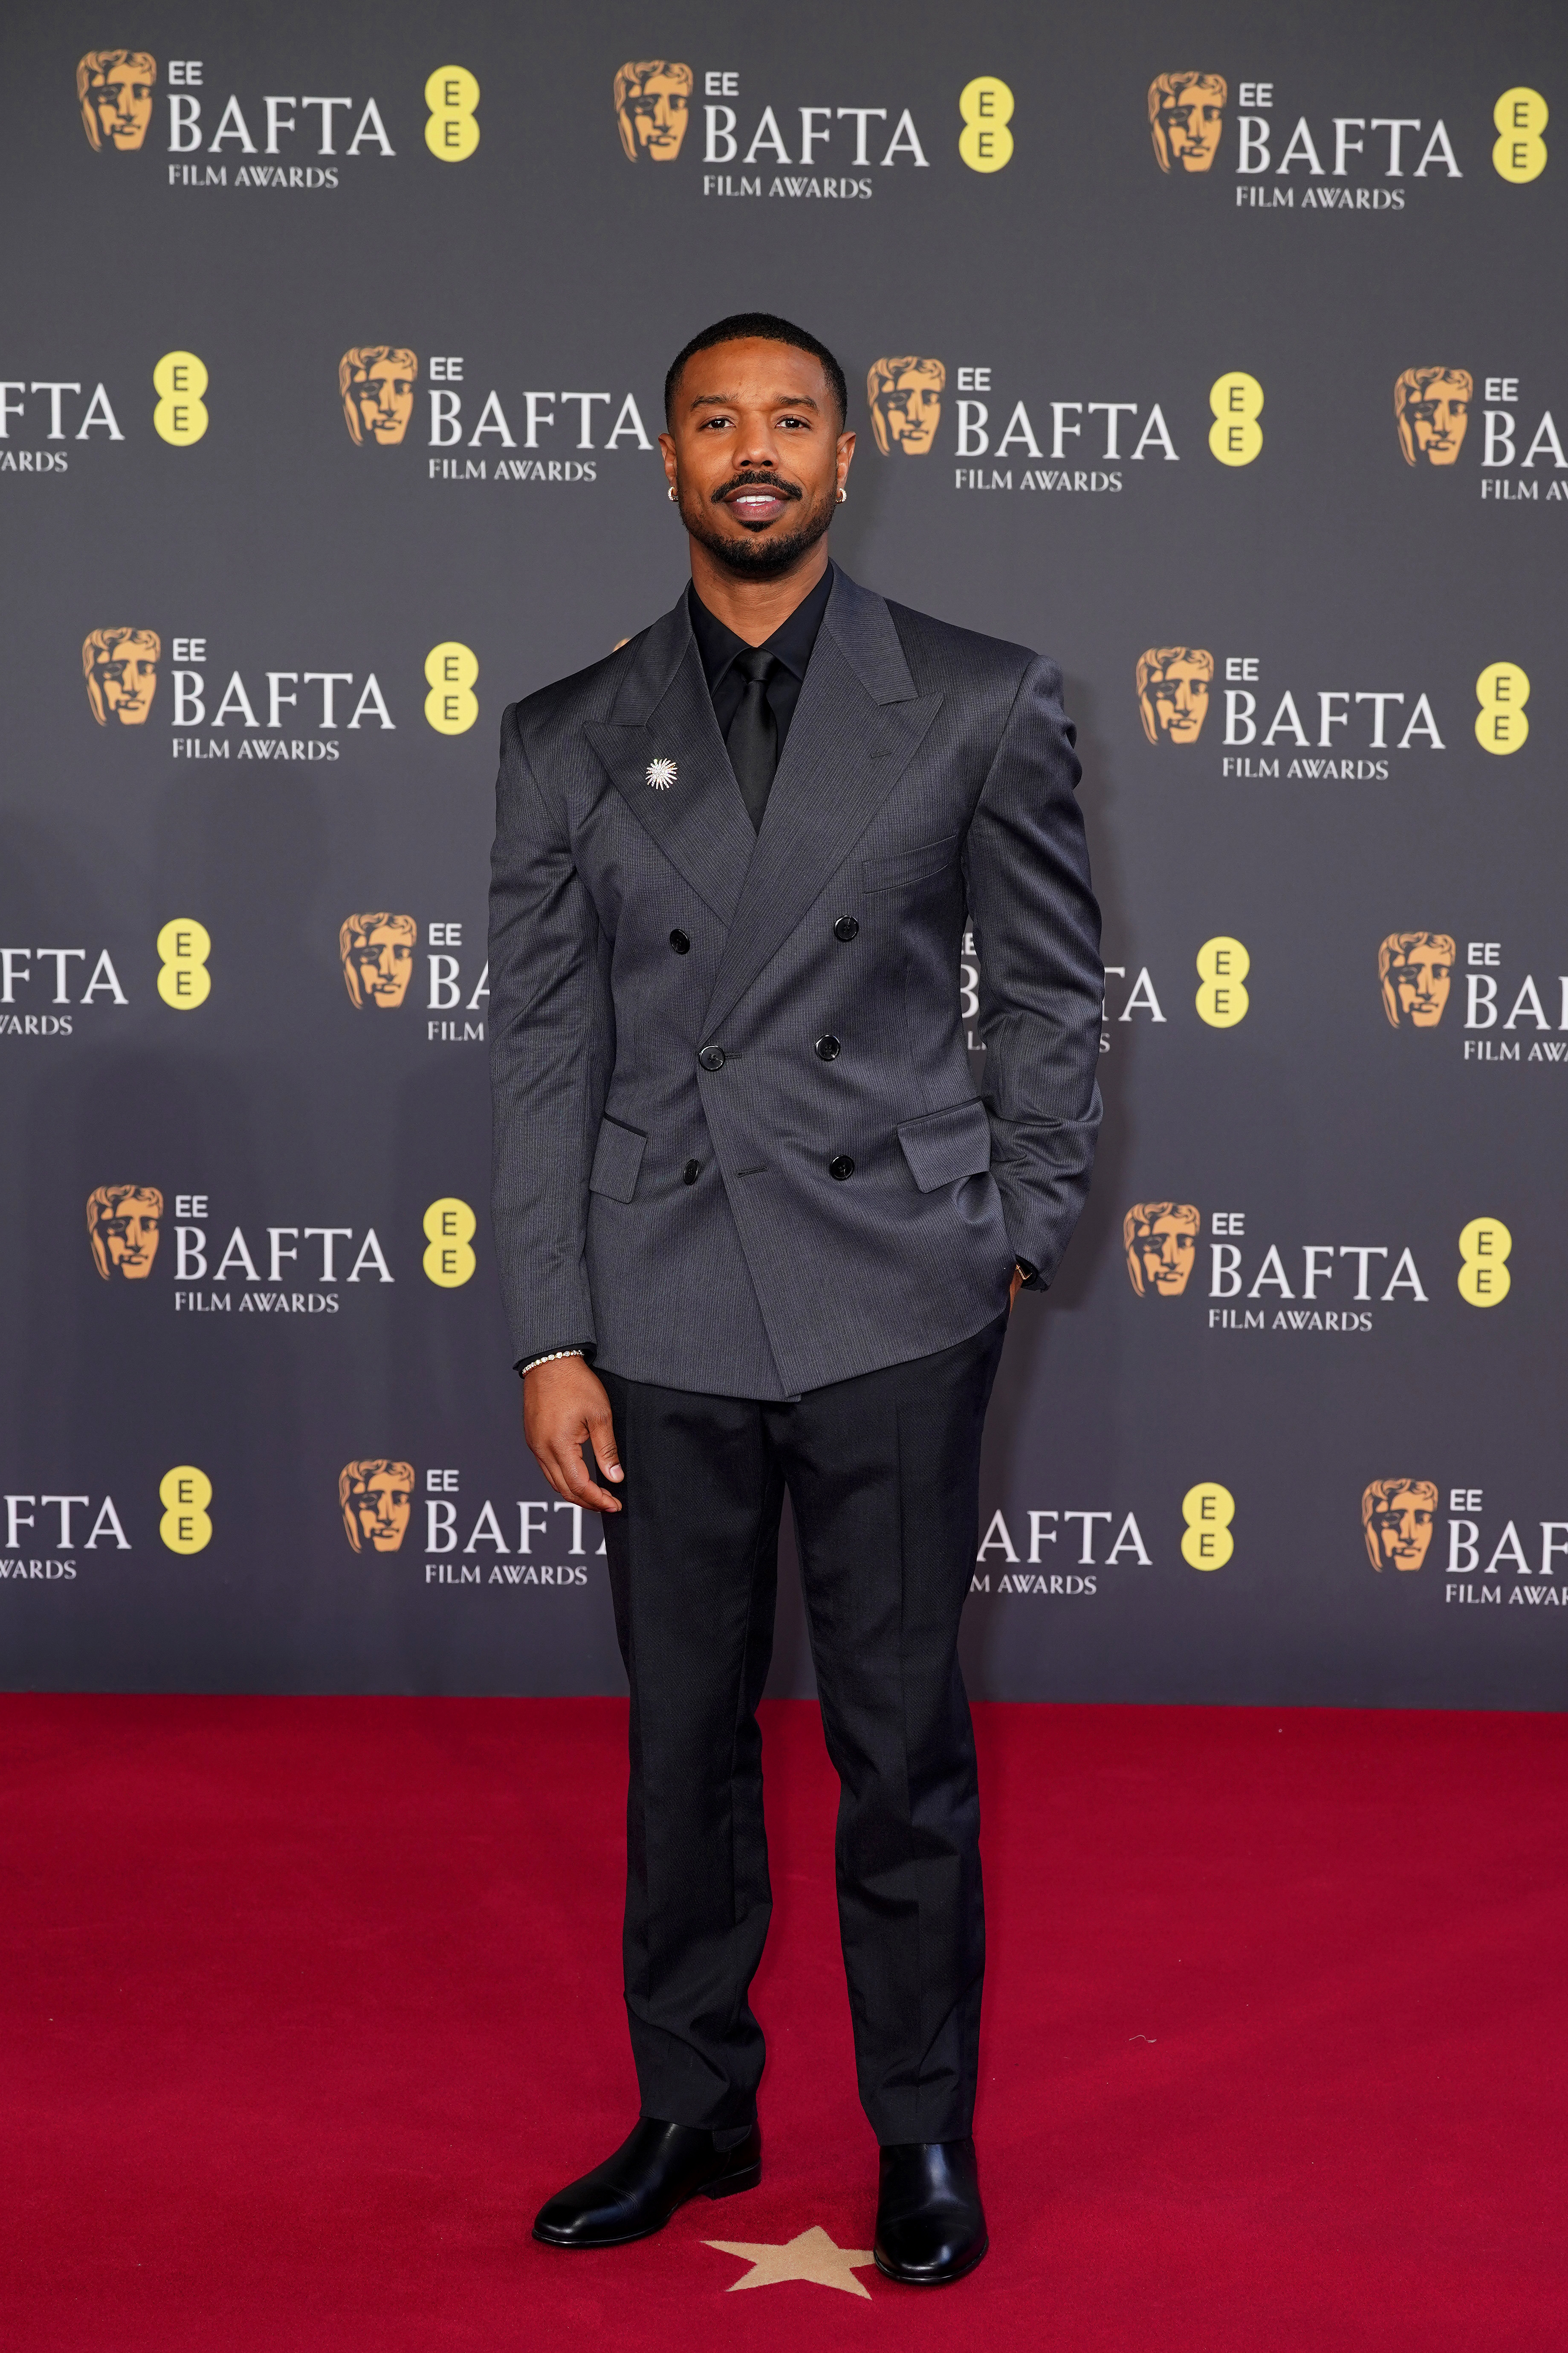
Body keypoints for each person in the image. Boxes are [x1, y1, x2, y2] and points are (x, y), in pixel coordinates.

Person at [488, 312, 1102, 2286]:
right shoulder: (558, 737)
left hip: (889, 1300)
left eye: (790, 423)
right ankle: (694, 2104)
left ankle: (920, 2127)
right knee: (681, 1742)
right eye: (713, 423)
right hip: (656, 1300)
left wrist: (1008, 1226)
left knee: (897, 1741)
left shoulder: (978, 701)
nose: (753, 454)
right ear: (661, 458)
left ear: (849, 456)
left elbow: (1053, 992)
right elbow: (537, 1054)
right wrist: (545, 1326)